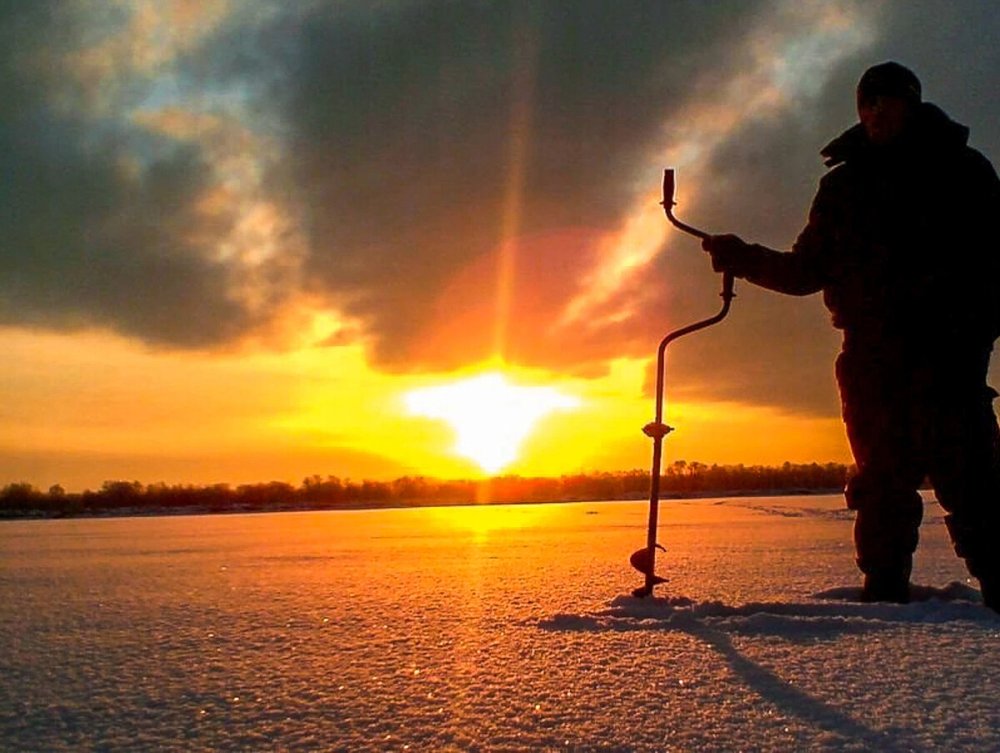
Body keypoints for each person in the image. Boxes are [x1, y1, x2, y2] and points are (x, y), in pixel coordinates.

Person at [702, 62, 1000, 610]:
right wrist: (741, 257)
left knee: (976, 488)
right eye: (868, 105)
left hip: (950, 359)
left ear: (913, 104)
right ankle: (883, 612)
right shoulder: (843, 186)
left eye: (889, 102)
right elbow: (805, 271)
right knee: (882, 490)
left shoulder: (965, 172)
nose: (877, 114)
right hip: (872, 363)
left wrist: (976, 329)